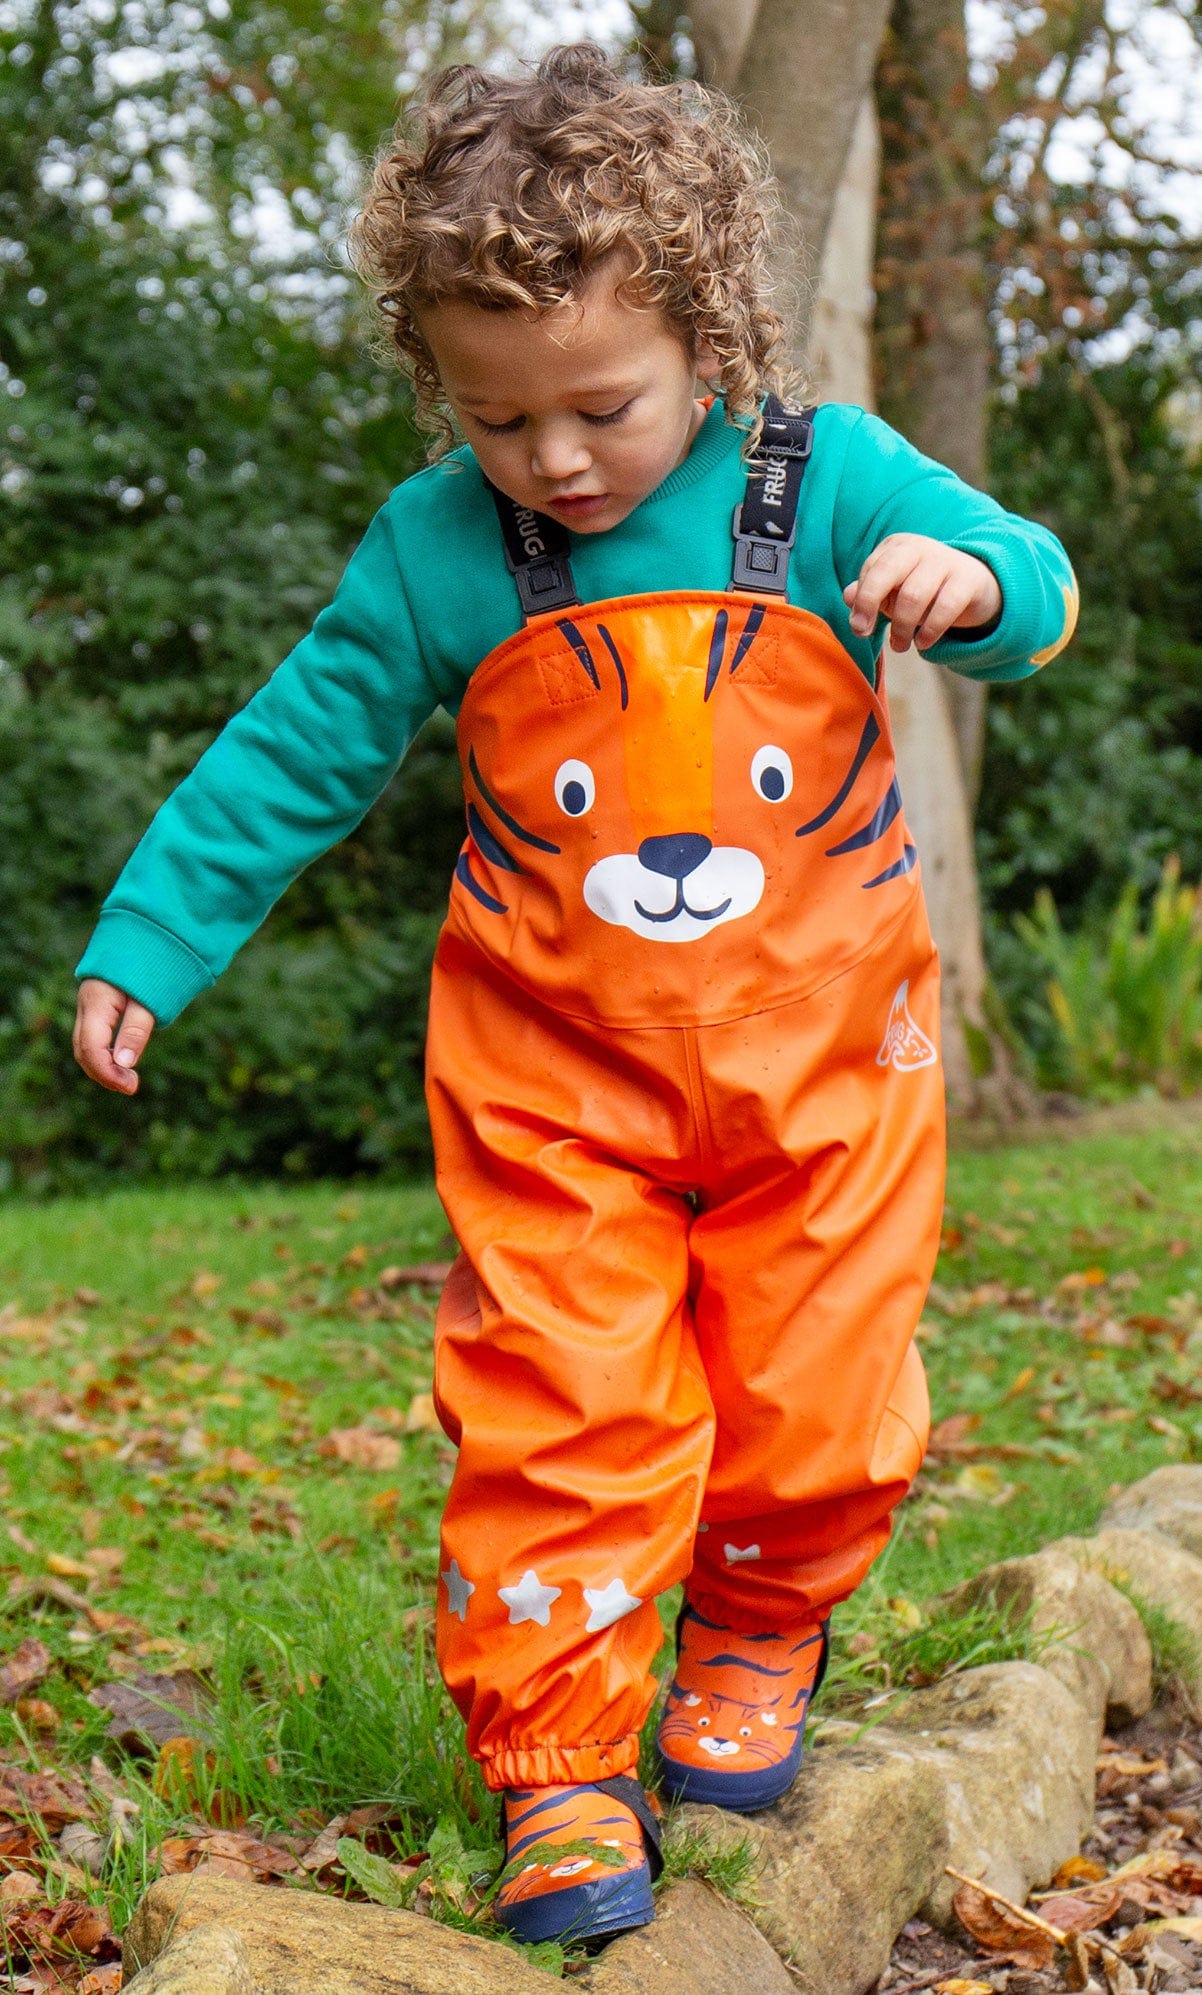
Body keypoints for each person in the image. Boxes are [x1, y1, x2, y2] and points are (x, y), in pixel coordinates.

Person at [73, 44, 1078, 1950]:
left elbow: (1036, 588)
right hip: (555, 1084)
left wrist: (967, 575)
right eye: (493, 416)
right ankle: (553, 1766)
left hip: (827, 1078)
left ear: (709, 333)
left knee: (818, 1395)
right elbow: (292, 753)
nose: (551, 458)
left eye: (597, 408)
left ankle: (761, 1627)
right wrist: (147, 942)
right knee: (556, 1402)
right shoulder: (441, 547)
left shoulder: (829, 475)